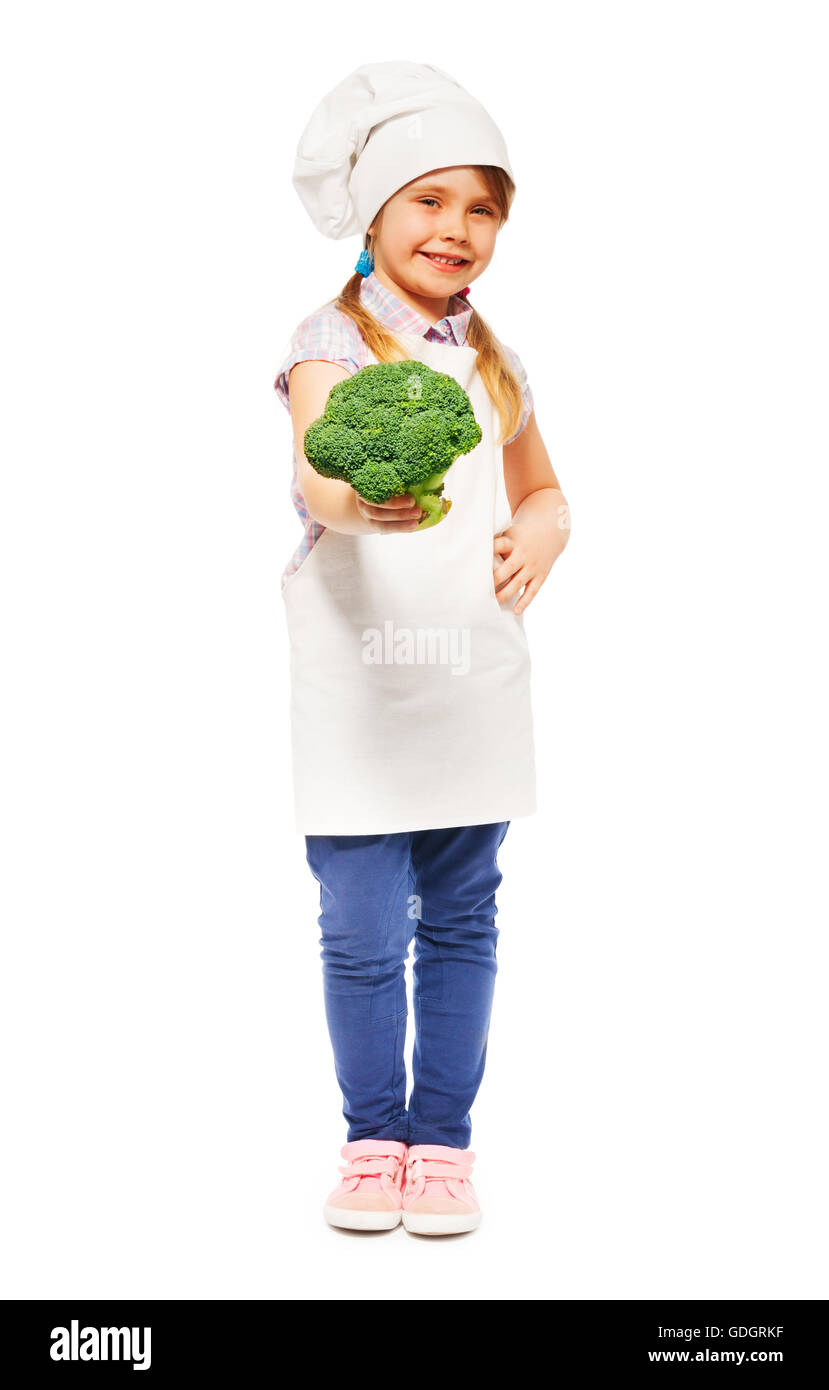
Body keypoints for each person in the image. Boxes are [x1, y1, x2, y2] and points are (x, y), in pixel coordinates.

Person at [273, 61, 571, 1235]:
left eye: (481, 208)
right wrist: (364, 503)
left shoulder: (492, 359)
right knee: (357, 927)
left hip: (469, 684)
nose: (456, 228)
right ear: (374, 212)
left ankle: (440, 1141)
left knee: (463, 916)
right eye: (429, 200)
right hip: (360, 684)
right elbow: (314, 475)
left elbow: (541, 489)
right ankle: (370, 1134)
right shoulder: (326, 341)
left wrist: (546, 526)